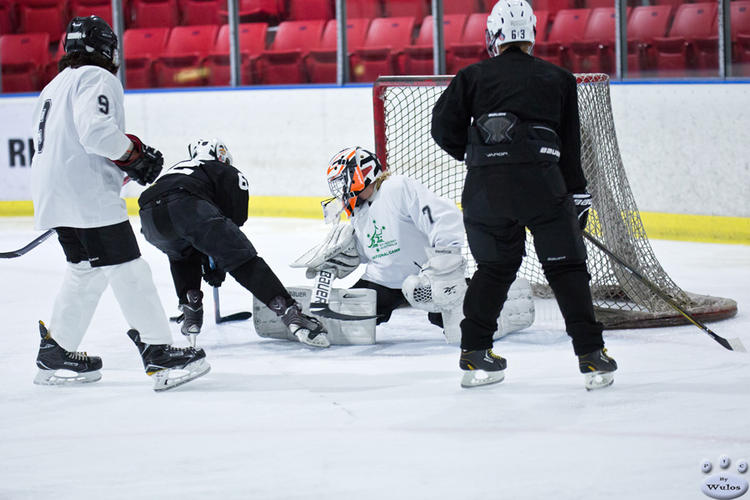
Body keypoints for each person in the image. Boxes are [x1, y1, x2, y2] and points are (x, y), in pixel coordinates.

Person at [431, 0, 617, 390]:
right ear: (532, 34)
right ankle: (591, 356)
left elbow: (441, 128)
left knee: (494, 270)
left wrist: (477, 155)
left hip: (485, 192)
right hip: (543, 189)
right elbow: (569, 145)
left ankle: (475, 352)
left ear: (494, 34)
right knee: (566, 269)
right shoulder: (559, 78)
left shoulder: (472, 75)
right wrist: (578, 196)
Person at [30, 16, 209, 391]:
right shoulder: (98, 78)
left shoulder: (53, 85)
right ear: (107, 48)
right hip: (87, 198)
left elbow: (67, 144)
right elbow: (95, 132)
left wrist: (124, 165)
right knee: (129, 268)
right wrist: (132, 155)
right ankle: (159, 351)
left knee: (85, 269)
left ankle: (56, 350)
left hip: (53, 194)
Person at [299, 146, 533, 341]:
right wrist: (350, 255)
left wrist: (444, 265)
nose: (340, 190)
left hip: (425, 280)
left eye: (342, 181)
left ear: (360, 173)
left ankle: (505, 300)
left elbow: (444, 216)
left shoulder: (396, 188)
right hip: (383, 281)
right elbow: (374, 244)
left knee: (459, 325)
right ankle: (299, 319)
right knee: (344, 320)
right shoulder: (358, 212)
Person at [138, 138, 330, 348]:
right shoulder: (224, 170)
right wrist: (219, 260)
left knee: (181, 255)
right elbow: (232, 224)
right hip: (187, 205)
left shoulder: (177, 169)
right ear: (220, 155)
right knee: (241, 258)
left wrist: (209, 259)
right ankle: (291, 315)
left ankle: (190, 308)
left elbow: (190, 226)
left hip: (149, 216)